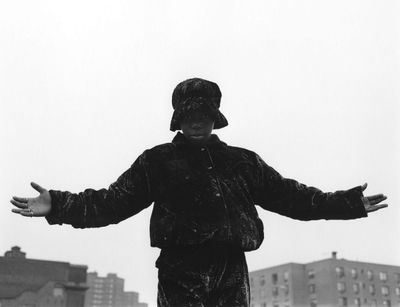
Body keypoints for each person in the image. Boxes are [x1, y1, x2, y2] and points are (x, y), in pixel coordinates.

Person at [11, 78, 388, 307]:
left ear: (214, 116)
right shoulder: (157, 161)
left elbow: (294, 197)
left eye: (203, 115)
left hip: (231, 268)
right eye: (189, 116)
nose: (196, 122)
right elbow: (110, 203)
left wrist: (349, 203)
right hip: (181, 269)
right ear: (178, 118)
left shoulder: (243, 162)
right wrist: (58, 204)